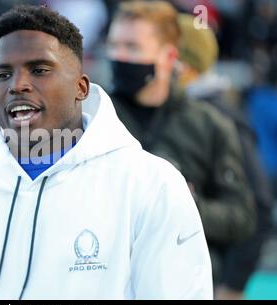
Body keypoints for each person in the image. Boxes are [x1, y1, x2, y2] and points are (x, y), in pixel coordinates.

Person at [0, 5, 212, 299]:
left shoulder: (151, 186)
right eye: (3, 74)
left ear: (81, 88)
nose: (18, 85)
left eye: (39, 70)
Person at [107, 1, 256, 271]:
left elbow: (242, 217)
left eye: (132, 47)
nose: (119, 56)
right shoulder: (93, 118)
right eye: (113, 45)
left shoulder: (210, 125)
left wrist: (189, 205)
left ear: (169, 57)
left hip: (182, 278)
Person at [177, 13, 274, 299]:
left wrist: (233, 285)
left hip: (210, 278)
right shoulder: (175, 113)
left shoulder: (221, 118)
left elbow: (260, 207)